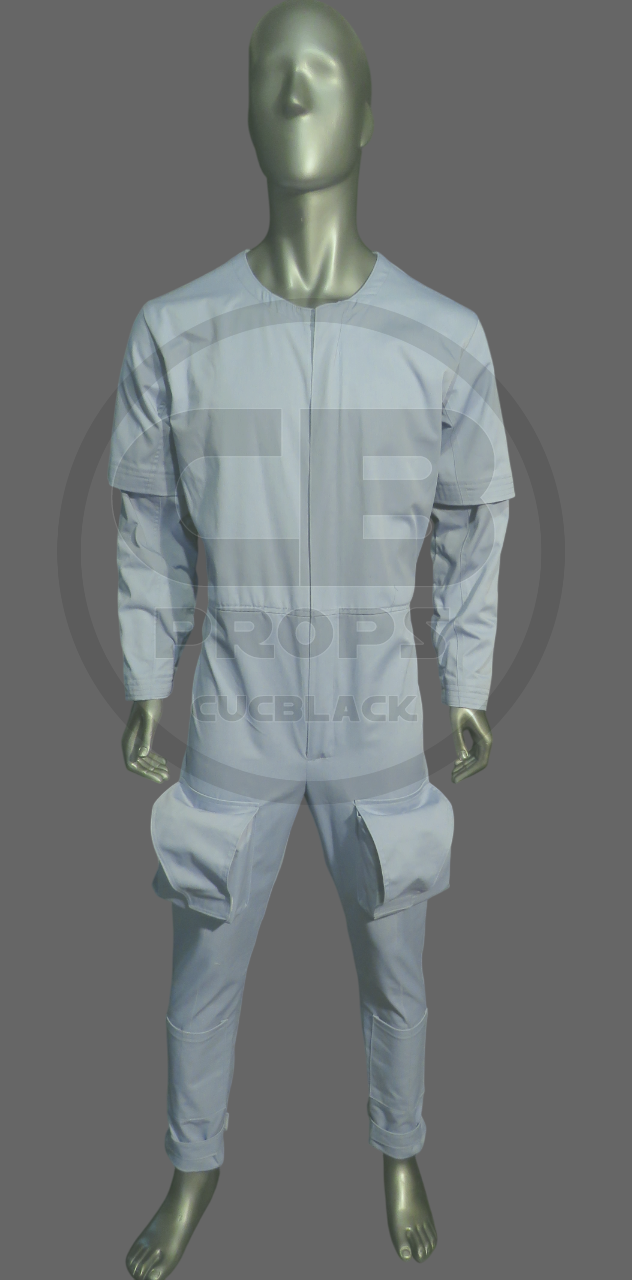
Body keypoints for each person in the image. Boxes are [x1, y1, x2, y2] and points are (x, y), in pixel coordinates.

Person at [112, 4, 514, 1276]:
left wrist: (465, 680)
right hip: (234, 706)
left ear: (369, 112)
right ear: (242, 113)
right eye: (270, 76)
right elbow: (144, 521)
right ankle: (191, 1168)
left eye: (323, 73)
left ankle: (399, 1149)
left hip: (377, 708)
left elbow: (477, 520)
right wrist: (146, 674)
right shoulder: (174, 328)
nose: (295, 96)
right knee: (199, 974)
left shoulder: (442, 334)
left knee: (396, 966)